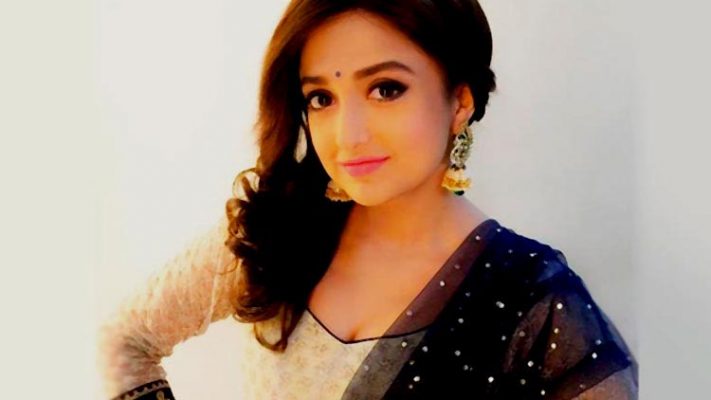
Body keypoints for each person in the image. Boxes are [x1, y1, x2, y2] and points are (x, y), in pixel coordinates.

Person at [97, 0, 638, 398]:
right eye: (321, 98)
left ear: (460, 102)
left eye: (385, 89)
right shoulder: (274, 231)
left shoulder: (531, 299)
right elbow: (123, 340)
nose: (347, 135)